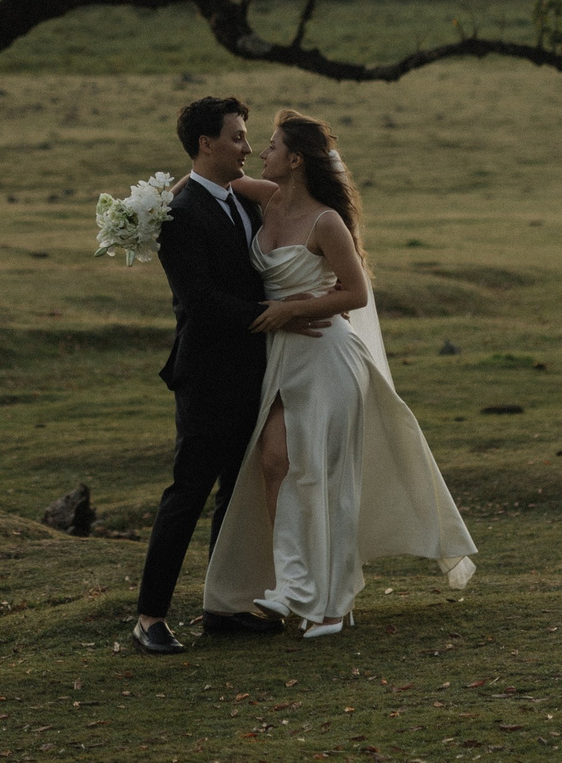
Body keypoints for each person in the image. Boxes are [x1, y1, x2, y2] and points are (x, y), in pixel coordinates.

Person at [200, 108, 475, 637]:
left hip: (327, 354)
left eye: (273, 146)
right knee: (276, 463)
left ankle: (334, 603)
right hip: (283, 357)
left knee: (325, 477)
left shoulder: (327, 221)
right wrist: (147, 207)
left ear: (296, 159)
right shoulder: (265, 197)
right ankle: (293, 585)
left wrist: (291, 310)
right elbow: (207, 179)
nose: (262, 153)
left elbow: (356, 293)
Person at [130, 96, 329, 656]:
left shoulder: (240, 200)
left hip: (256, 371)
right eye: (238, 137)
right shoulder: (181, 211)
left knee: (236, 493)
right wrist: (283, 315)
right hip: (207, 374)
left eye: (248, 138)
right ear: (205, 145)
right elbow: (200, 300)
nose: (247, 147)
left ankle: (224, 605)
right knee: (187, 492)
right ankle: (149, 617)